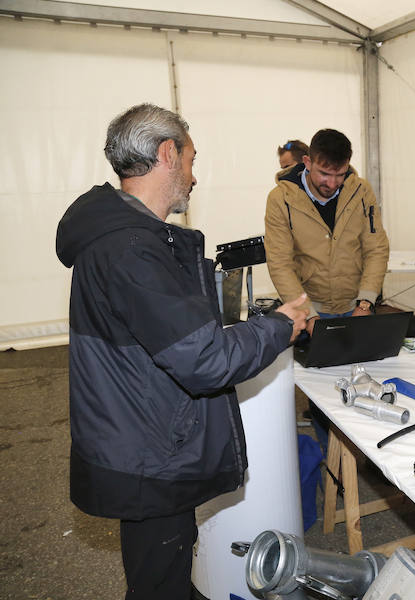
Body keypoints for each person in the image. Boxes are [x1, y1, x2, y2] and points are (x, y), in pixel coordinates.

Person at [55, 103, 309, 599]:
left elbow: (159, 330)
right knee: (159, 585)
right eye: (191, 160)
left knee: (163, 575)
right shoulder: (131, 247)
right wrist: (281, 325)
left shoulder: (121, 238)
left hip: (139, 437)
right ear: (167, 154)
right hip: (148, 452)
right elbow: (205, 360)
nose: (194, 177)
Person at [265, 128, 389, 336]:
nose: (332, 184)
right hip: (310, 312)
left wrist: (365, 302)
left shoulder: (362, 191)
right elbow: (280, 263)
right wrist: (309, 315)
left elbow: (376, 248)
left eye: (339, 175)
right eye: (324, 174)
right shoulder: (280, 199)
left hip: (357, 307)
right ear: (307, 162)